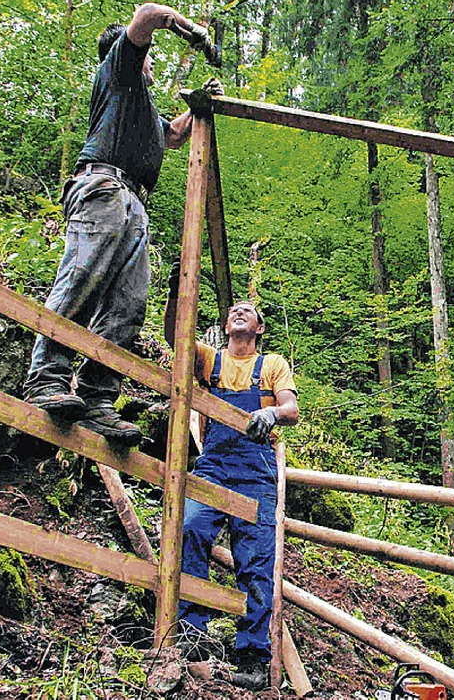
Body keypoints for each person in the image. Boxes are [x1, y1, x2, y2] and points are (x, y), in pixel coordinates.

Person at [23, 3, 221, 448]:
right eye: (146, 54)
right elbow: (149, 13)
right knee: (82, 278)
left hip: (133, 201)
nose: (150, 59)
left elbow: (171, 136)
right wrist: (194, 34)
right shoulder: (119, 71)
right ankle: (46, 378)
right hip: (103, 188)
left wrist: (200, 108)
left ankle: (96, 400)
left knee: (129, 306)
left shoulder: (140, 103)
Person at [164, 277, 299, 691]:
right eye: (232, 311)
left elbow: (291, 407)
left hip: (256, 470)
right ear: (225, 327)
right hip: (214, 464)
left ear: (258, 328)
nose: (238, 312)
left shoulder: (271, 364)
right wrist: (176, 293)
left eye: (248, 311)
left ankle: (253, 656)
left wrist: (272, 415)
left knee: (255, 560)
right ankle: (190, 635)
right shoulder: (211, 360)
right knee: (189, 528)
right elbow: (176, 335)